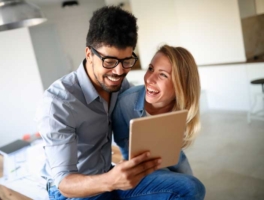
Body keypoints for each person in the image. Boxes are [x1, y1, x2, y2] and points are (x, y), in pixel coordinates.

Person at [36, 6, 205, 200]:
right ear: (89, 54)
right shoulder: (58, 103)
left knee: (192, 188)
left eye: (126, 61)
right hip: (74, 192)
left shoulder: (121, 87)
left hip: (108, 175)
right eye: (109, 61)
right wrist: (111, 181)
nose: (118, 72)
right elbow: (64, 183)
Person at [112, 44, 202, 185]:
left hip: (169, 149)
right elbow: (121, 141)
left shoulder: (181, 107)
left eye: (162, 74)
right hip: (139, 158)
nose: (149, 79)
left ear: (180, 85)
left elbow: (173, 146)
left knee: (191, 181)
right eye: (150, 69)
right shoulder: (125, 103)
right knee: (182, 185)